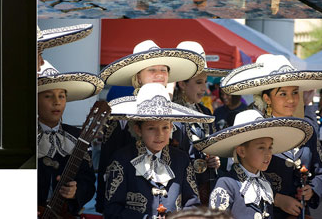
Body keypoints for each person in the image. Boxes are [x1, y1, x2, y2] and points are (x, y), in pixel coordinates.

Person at [96, 40, 206, 213]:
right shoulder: (121, 116)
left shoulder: (177, 115)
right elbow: (109, 162)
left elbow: (185, 159)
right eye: (152, 70)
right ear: (138, 76)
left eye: (163, 70)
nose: (159, 75)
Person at [220, 54, 322, 219]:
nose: (291, 99)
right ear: (267, 98)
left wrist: (312, 190)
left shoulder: (306, 130)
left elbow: (321, 173)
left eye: (295, 92)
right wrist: (276, 199)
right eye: (283, 94)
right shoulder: (255, 129)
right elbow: (239, 174)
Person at [103, 83, 213, 218]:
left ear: (171, 127)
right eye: (151, 128)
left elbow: (192, 205)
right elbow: (112, 210)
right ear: (138, 129)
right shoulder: (122, 160)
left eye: (165, 128)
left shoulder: (181, 159)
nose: (160, 134)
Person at [194, 109, 314, 219]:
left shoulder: (266, 182)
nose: (268, 154)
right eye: (261, 148)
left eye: (270, 147)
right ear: (242, 151)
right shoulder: (227, 184)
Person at [37, 64, 103, 217]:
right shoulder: (24, 137)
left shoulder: (76, 136)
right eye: (48, 96)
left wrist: (76, 192)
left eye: (61, 96)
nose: (57, 102)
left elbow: (88, 181)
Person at [171, 41, 226, 205]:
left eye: (205, 82)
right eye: (198, 82)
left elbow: (213, 147)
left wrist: (215, 161)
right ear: (182, 83)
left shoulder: (206, 113)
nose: (204, 88)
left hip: (204, 186)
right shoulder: (170, 112)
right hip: (176, 187)